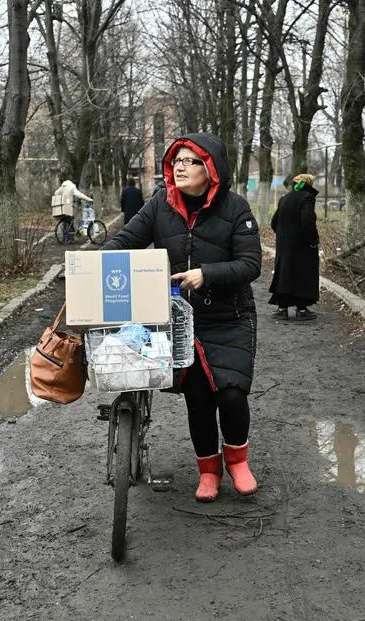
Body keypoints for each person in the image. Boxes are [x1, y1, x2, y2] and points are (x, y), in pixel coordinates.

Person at [104, 133, 262, 502]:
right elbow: (126, 239)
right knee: (199, 398)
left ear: (211, 169)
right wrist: (93, 266)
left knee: (233, 393)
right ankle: (208, 470)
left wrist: (207, 274)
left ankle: (238, 461)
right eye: (176, 160)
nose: (180, 166)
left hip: (229, 315)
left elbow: (250, 264)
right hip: (179, 318)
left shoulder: (236, 208)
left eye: (190, 160)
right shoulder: (160, 204)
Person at [268, 173, 320, 321]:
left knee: (284, 275)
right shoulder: (307, 198)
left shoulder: (284, 199)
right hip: (302, 246)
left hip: (284, 247)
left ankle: (282, 309)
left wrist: (284, 236)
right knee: (302, 275)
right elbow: (307, 221)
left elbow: (274, 222)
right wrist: (312, 241)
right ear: (309, 185)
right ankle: (302, 310)